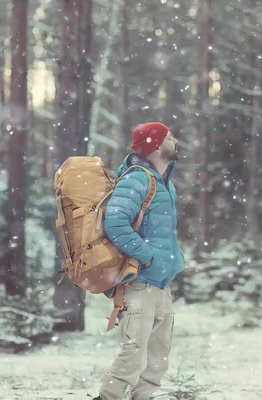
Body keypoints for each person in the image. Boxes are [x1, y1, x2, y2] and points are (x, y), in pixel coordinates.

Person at [93, 122, 185, 400]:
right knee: (132, 355)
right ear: (155, 145)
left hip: (160, 285)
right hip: (138, 284)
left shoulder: (165, 184)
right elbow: (115, 223)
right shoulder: (137, 179)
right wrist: (148, 257)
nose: (176, 140)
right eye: (170, 137)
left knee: (157, 360)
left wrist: (174, 260)